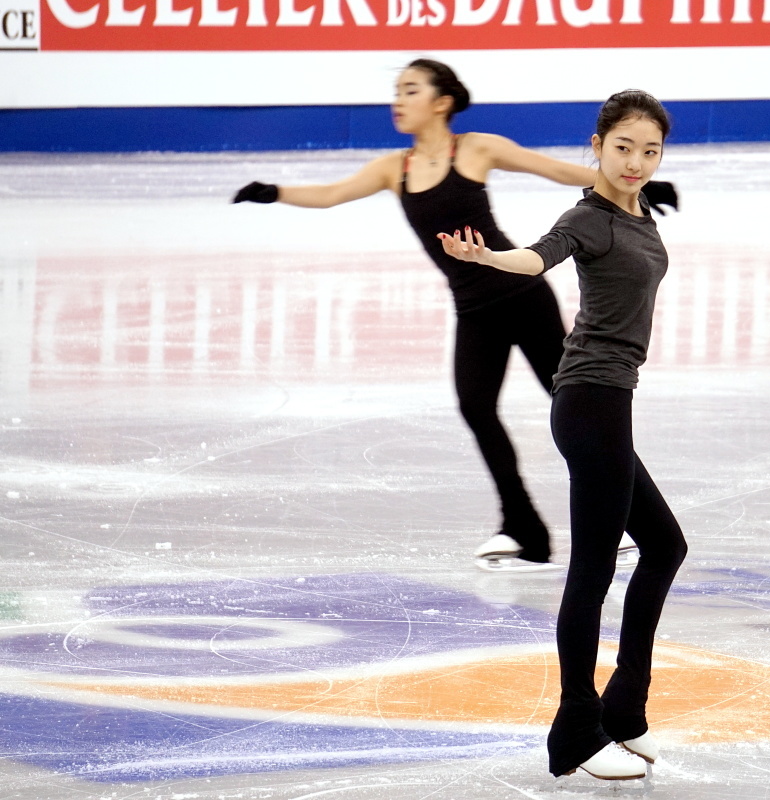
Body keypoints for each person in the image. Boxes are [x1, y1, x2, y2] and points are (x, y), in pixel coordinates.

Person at [233, 60, 675, 570]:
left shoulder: (474, 148)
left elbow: (553, 169)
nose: (399, 100)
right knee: (476, 407)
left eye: (411, 90)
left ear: (441, 102)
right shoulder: (394, 169)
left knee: (583, 408)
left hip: (521, 293)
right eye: (398, 90)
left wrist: (633, 189)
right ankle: (523, 526)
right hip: (474, 309)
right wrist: (274, 192)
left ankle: (621, 513)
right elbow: (332, 195)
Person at [437, 90, 688, 781]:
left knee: (665, 546)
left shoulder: (637, 210)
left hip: (610, 401)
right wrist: (490, 258)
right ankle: (576, 727)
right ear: (597, 145)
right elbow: (538, 256)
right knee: (594, 568)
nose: (636, 162)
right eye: (623, 148)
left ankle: (624, 709)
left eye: (650, 151)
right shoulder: (587, 218)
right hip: (588, 403)